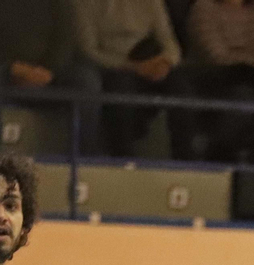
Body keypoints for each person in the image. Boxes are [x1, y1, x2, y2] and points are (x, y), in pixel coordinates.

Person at [0, 0, 99, 153]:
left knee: (86, 79)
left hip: (44, 72)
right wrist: (12, 67)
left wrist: (47, 70)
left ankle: (85, 160)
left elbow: (65, 35)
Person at [70, 0, 198, 158]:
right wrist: (132, 66)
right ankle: (123, 158)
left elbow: (168, 39)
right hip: (112, 66)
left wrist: (165, 62)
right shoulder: (85, 4)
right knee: (120, 89)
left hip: (151, 61)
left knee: (181, 86)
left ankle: (185, 159)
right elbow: (89, 50)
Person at [183, 0, 254, 160]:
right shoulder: (204, 8)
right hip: (216, 81)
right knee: (243, 90)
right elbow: (216, 56)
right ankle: (224, 157)